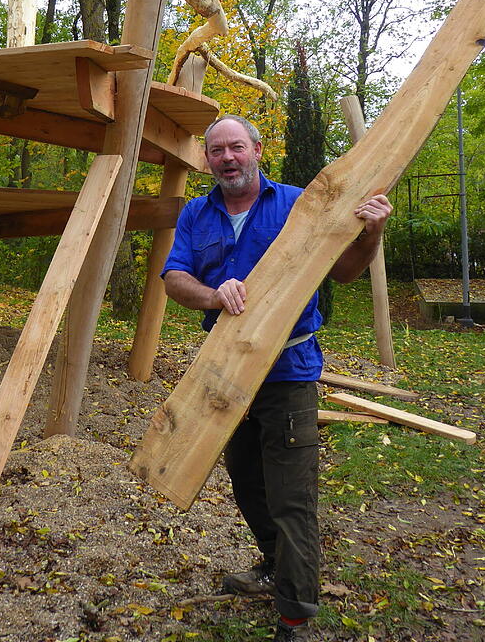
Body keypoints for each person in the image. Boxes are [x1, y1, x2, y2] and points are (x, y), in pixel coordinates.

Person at [162, 115, 392, 642]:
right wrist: (213, 294)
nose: (227, 158)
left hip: (288, 371)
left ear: (257, 150)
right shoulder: (197, 213)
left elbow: (345, 271)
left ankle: (294, 611)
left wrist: (372, 233)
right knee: (246, 482)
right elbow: (175, 278)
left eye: (236, 147)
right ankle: (272, 565)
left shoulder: (298, 202)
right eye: (216, 150)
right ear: (207, 159)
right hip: (224, 370)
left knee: (291, 496)